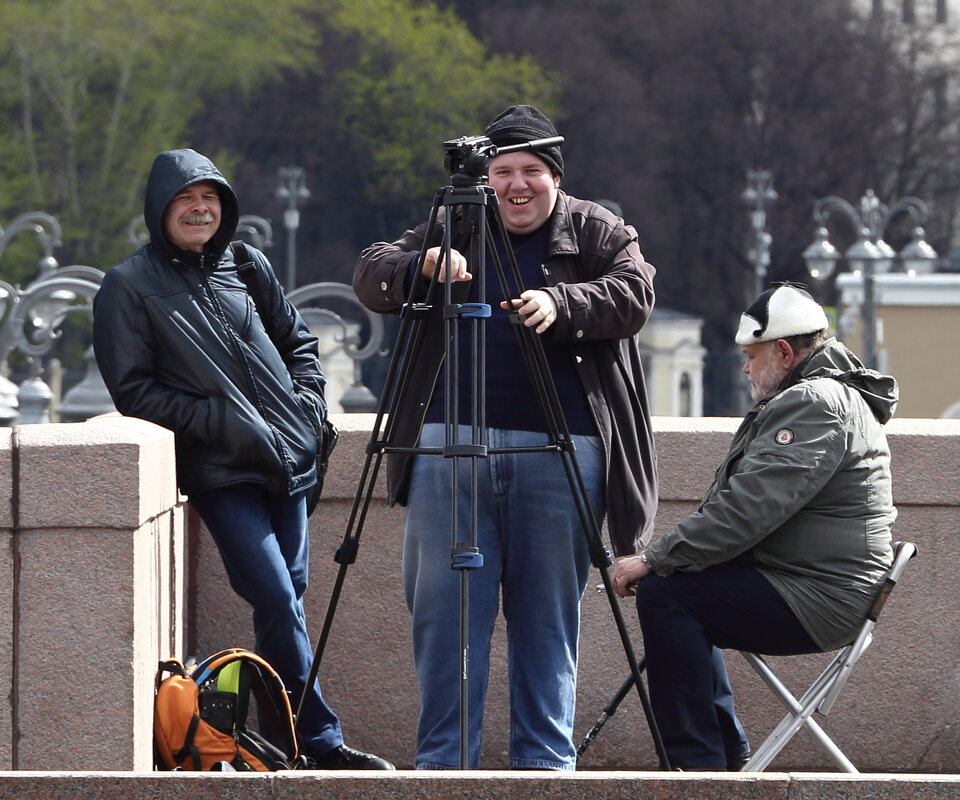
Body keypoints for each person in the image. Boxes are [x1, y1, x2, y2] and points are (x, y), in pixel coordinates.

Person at [353, 105, 658, 770]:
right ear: (484, 177)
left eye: (531, 172)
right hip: (446, 448)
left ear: (555, 176)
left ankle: (544, 773)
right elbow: (371, 272)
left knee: (547, 624)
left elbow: (636, 293)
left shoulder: (595, 229)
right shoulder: (457, 219)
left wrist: (564, 303)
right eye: (501, 172)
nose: (516, 185)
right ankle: (443, 772)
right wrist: (420, 268)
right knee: (444, 623)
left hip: (563, 452)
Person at [92, 148, 393, 770]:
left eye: (210, 199)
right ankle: (320, 740)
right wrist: (224, 424)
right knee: (279, 600)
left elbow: (299, 342)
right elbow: (133, 391)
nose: (199, 210)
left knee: (287, 601)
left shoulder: (246, 264)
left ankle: (278, 742)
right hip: (221, 472)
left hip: (290, 462)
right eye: (185, 200)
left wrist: (308, 408)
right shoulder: (128, 286)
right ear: (160, 211)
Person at [612, 282, 897, 770]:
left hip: (821, 596)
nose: (744, 368)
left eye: (751, 355)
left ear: (784, 351)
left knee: (668, 595)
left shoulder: (814, 404)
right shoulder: (826, 396)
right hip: (827, 584)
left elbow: (747, 511)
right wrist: (675, 562)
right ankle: (720, 755)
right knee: (683, 589)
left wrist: (653, 559)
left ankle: (696, 767)